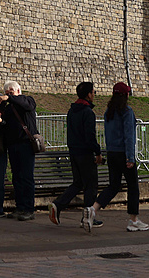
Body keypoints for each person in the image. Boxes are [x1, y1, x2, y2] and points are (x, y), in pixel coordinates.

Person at [88, 81, 148, 232]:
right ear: (126, 95)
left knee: (113, 185)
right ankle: (133, 220)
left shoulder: (109, 112)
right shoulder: (127, 112)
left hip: (112, 153)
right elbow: (129, 136)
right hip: (123, 153)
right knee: (133, 186)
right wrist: (130, 158)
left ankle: (93, 209)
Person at [48, 82, 103, 229]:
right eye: (93, 92)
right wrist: (97, 152)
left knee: (78, 183)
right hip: (85, 152)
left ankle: (58, 205)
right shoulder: (88, 112)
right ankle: (88, 217)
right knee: (91, 185)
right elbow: (90, 136)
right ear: (88, 94)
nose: (94, 95)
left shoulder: (72, 111)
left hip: (74, 151)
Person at [0, 80, 38, 221]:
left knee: (26, 177)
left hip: (26, 144)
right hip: (13, 145)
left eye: (11, 93)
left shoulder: (28, 101)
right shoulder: (9, 108)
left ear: (18, 91)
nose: (8, 96)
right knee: (17, 177)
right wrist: (0, 120)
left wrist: (9, 98)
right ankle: (20, 207)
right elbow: (7, 126)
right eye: (7, 94)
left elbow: (26, 105)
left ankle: (29, 209)